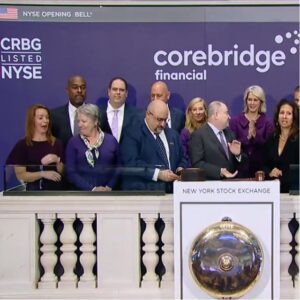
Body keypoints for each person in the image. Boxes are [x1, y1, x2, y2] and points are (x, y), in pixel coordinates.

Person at [120, 100, 188, 192]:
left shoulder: (173, 135)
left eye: (165, 120)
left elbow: (182, 158)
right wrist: (158, 174)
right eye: (159, 119)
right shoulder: (132, 134)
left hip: (171, 193)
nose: (163, 124)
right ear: (148, 114)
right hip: (144, 192)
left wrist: (180, 169)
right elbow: (132, 163)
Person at [6, 104, 64, 191]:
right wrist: (42, 174)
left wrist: (57, 160)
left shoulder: (57, 143)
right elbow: (21, 175)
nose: (45, 121)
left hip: (55, 194)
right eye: (40, 118)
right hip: (32, 195)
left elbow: (62, 172)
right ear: (32, 121)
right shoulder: (23, 145)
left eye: (47, 117)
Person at [65, 104, 121, 191]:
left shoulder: (111, 141)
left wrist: (109, 186)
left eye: (84, 121)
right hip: (82, 197)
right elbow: (71, 172)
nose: (80, 125)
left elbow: (119, 167)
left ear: (95, 121)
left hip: (108, 194)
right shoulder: (73, 143)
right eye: (78, 121)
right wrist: (92, 189)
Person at [189, 101, 246, 179]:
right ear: (216, 115)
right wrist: (219, 171)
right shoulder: (198, 135)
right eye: (226, 113)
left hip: (232, 185)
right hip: (211, 186)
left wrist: (238, 155)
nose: (229, 117)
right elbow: (197, 163)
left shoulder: (230, 134)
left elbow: (244, 163)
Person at [230, 85, 273, 178]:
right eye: (249, 99)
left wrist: (255, 135)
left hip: (261, 171)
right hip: (240, 171)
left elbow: (269, 148)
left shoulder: (267, 123)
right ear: (246, 101)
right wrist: (247, 138)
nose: (252, 103)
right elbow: (232, 145)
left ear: (261, 102)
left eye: (255, 100)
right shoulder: (235, 121)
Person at [262, 99, 299, 193]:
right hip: (273, 191)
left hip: (294, 191)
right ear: (277, 116)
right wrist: (270, 172)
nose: (284, 116)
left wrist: (283, 175)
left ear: (294, 117)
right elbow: (263, 164)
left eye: (289, 113)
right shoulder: (271, 138)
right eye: (282, 113)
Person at [98, 76, 142, 143]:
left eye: (121, 90)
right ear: (109, 92)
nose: (118, 92)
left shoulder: (137, 116)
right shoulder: (98, 113)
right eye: (115, 89)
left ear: (126, 93)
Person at [180, 97, 207, 165]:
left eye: (201, 109)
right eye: (194, 110)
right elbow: (184, 155)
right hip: (193, 169)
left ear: (205, 111)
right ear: (190, 112)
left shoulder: (210, 130)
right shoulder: (185, 133)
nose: (198, 112)